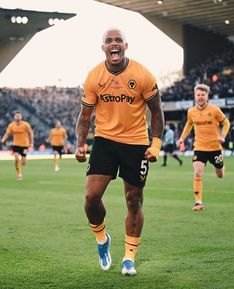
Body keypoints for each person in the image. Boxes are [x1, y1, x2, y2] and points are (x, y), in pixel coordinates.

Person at [75, 28, 164, 276]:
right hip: (104, 140)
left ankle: (129, 258)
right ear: (103, 48)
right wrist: (80, 143)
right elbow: (84, 117)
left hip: (136, 143)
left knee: (133, 200)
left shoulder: (143, 74)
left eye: (118, 40)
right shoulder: (94, 76)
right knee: (91, 198)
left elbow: (157, 112)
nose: (113, 44)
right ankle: (102, 239)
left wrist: (155, 144)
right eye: (108, 41)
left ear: (126, 45)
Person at [177, 84, 230, 211]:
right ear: (195, 96)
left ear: (207, 96)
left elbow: (226, 122)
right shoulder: (191, 111)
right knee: (198, 172)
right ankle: (198, 202)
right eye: (198, 95)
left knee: (220, 175)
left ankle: (221, 166)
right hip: (199, 147)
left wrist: (222, 136)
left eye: (203, 95)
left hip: (215, 147)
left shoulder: (215, 109)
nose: (200, 97)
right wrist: (181, 139)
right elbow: (189, 125)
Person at [0, 112, 34, 180]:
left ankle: (23, 160)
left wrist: (32, 143)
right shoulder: (11, 125)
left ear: (21, 117)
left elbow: (31, 133)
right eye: (16, 116)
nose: (17, 117)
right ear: (14, 117)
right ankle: (19, 174)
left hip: (24, 145)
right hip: (16, 144)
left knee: (23, 162)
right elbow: (7, 134)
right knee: (16, 158)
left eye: (19, 116)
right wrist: (3, 140)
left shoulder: (26, 125)